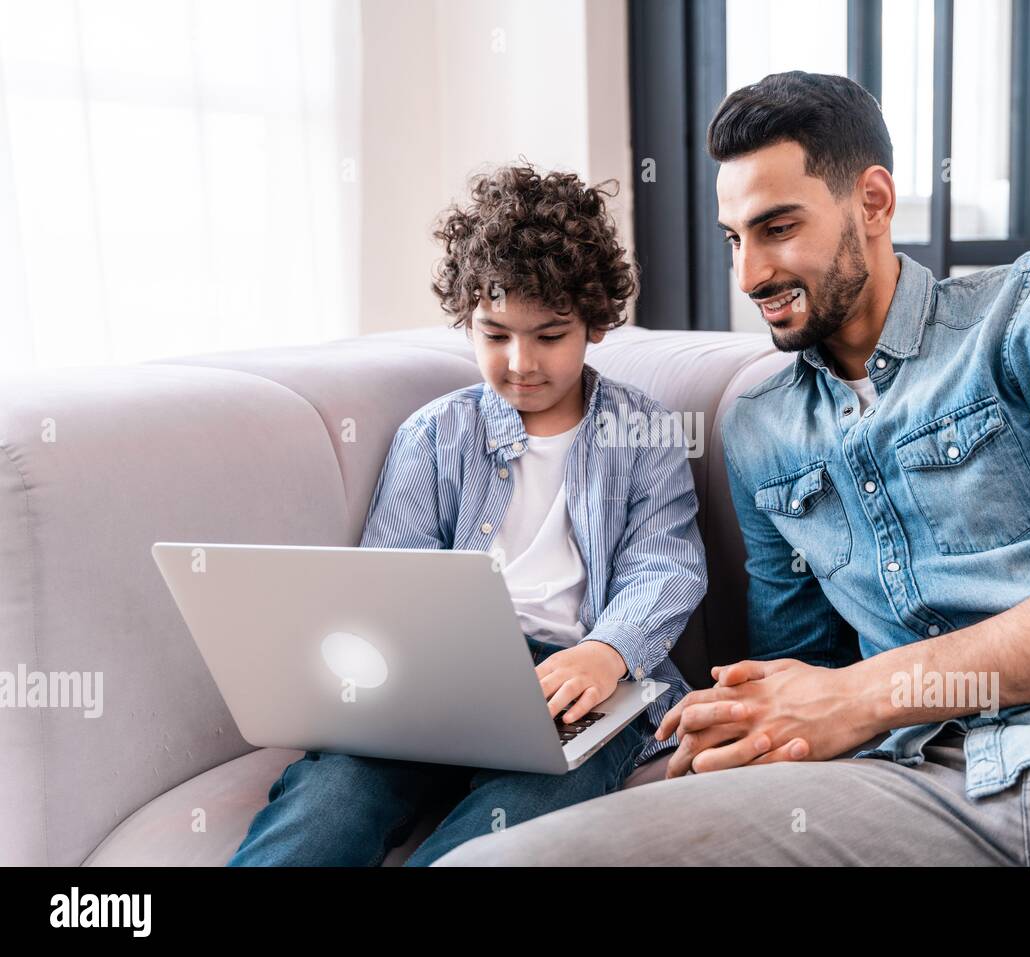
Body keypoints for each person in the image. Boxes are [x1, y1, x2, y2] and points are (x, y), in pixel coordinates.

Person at [435, 73, 1030, 867]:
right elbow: (799, 667)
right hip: (918, 782)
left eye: (778, 228)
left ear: (874, 200)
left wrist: (866, 693)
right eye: (734, 237)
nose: (750, 273)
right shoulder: (761, 429)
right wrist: (744, 724)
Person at [228, 163, 705, 866]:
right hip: (443, 676)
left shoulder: (646, 431)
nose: (521, 362)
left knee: (522, 814)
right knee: (330, 800)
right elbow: (391, 581)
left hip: (584, 679)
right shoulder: (434, 435)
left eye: (550, 335)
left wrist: (607, 653)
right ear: (467, 320)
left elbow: (667, 566)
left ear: (596, 323)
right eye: (495, 334)